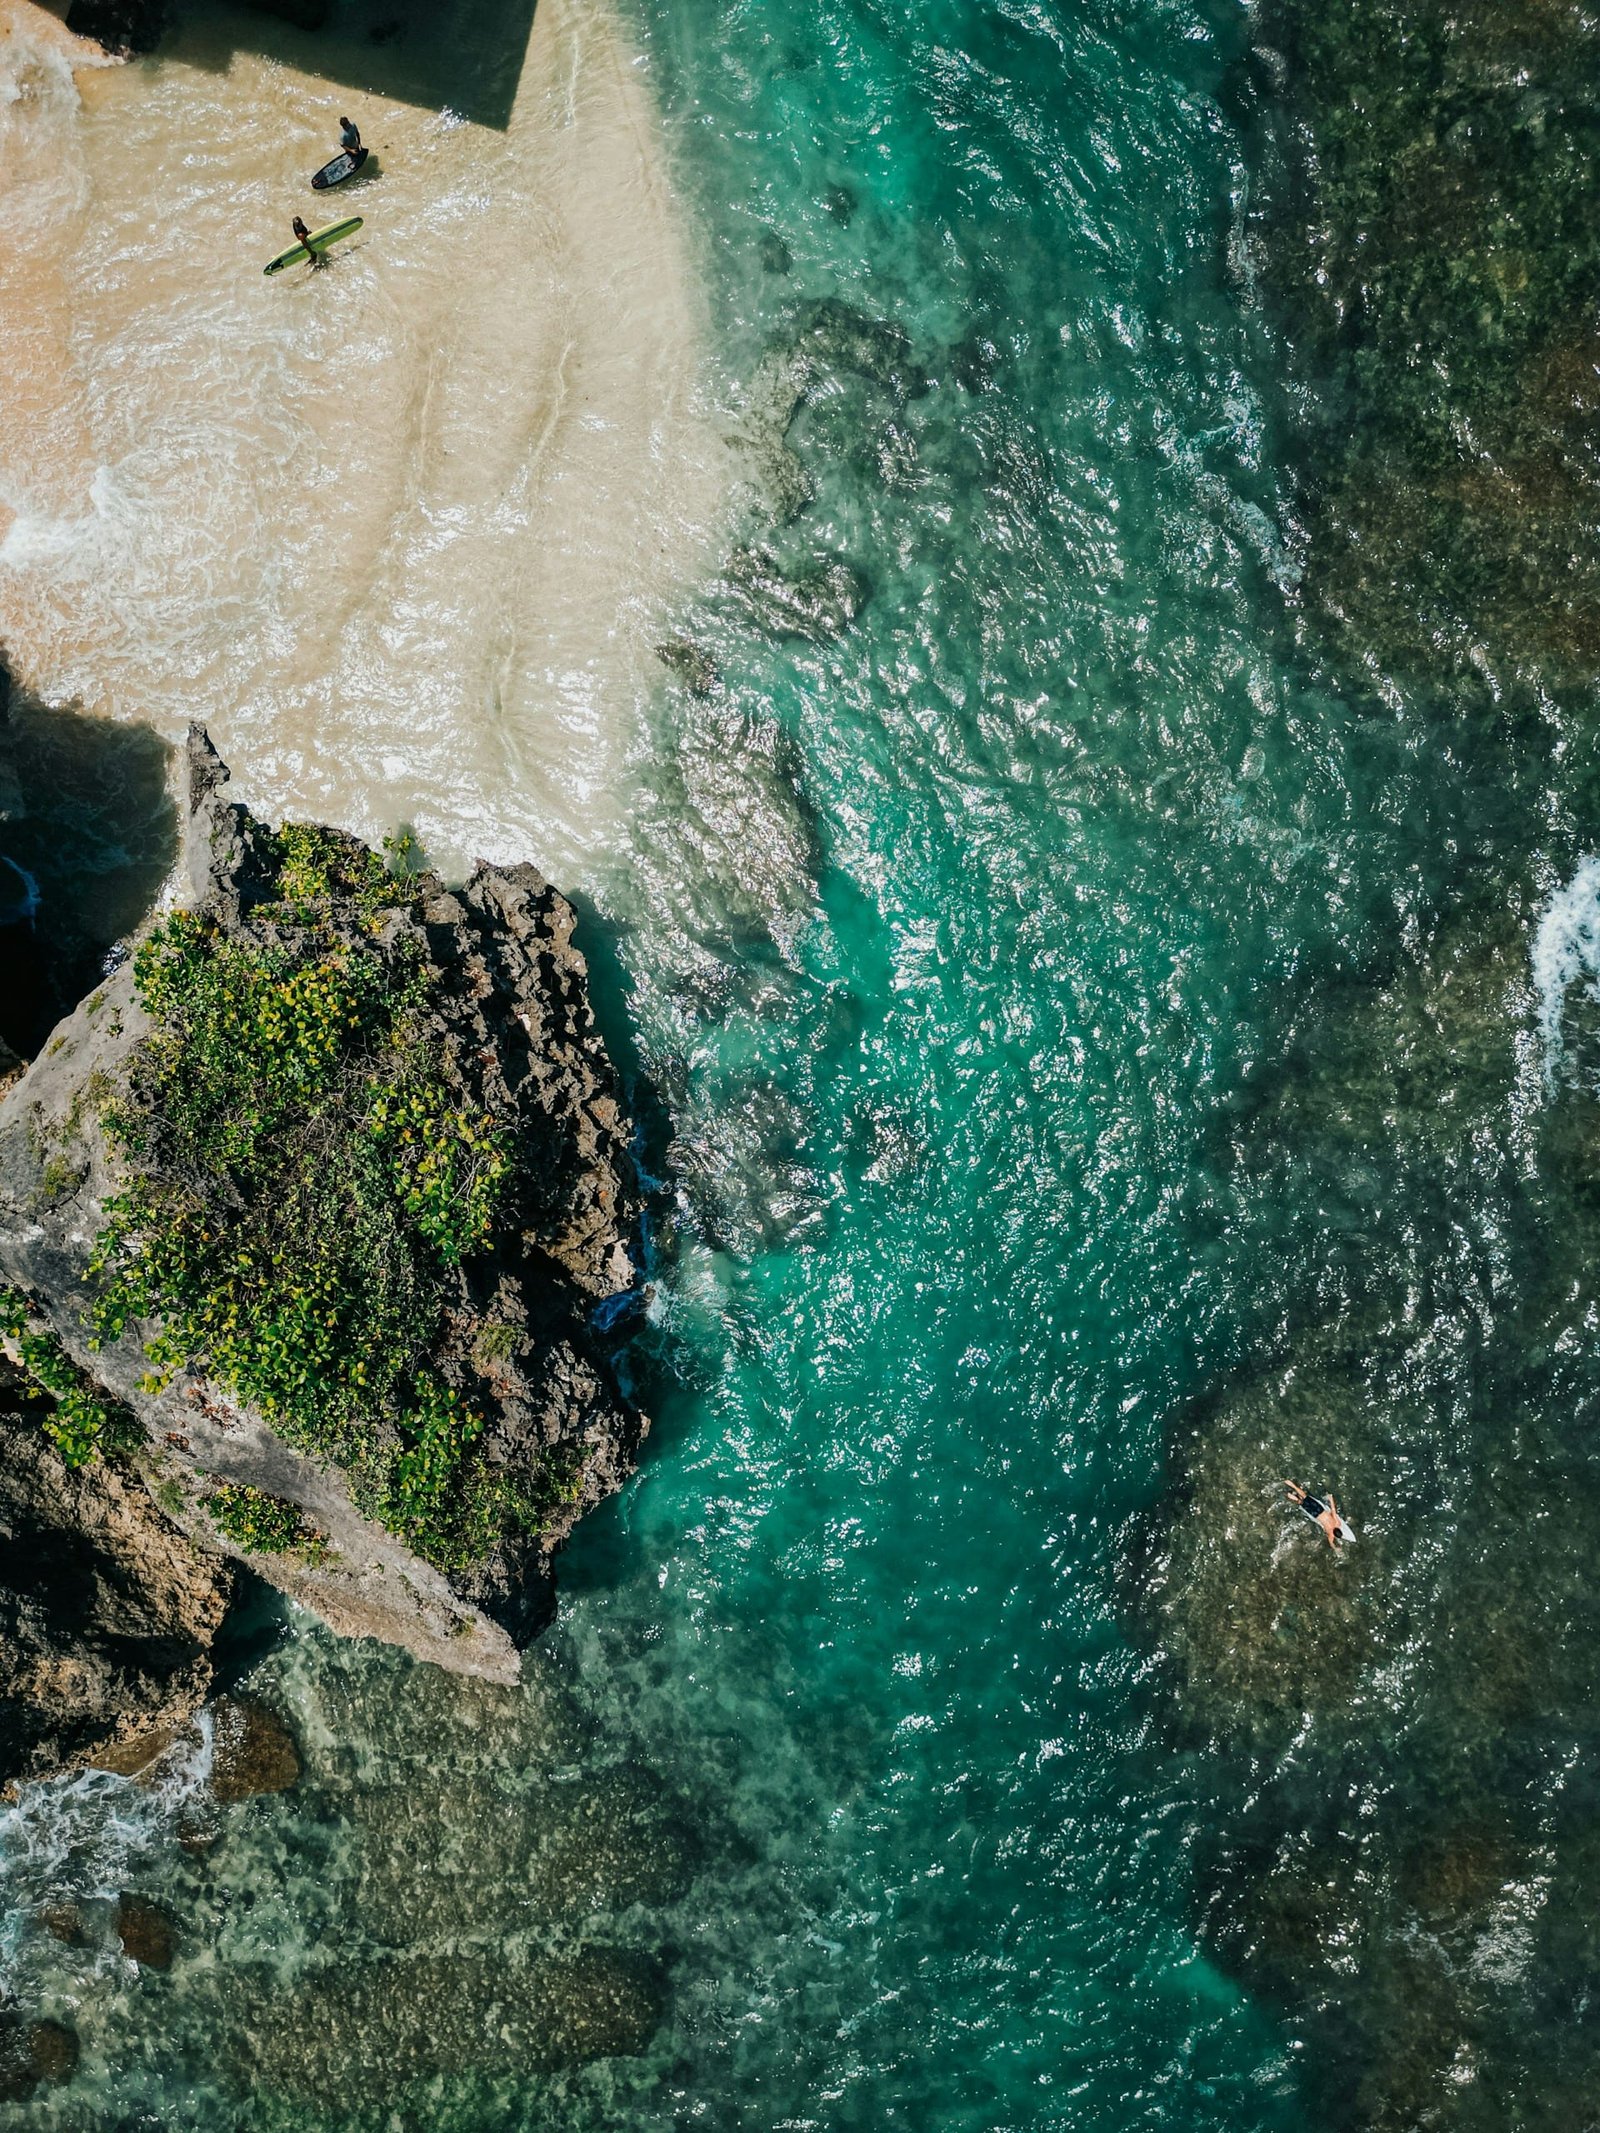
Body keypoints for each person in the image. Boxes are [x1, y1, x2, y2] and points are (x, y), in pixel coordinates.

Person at [1285, 1478, 1343, 1549]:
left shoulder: (1337, 1523)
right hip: (1315, 1515)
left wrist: (1331, 1499)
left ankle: (1292, 1485)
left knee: (1304, 1496)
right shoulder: (1330, 1534)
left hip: (1320, 1509)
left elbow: (1333, 1510)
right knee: (1302, 1503)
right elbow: (1331, 1543)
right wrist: (1336, 1548)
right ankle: (1293, 1497)